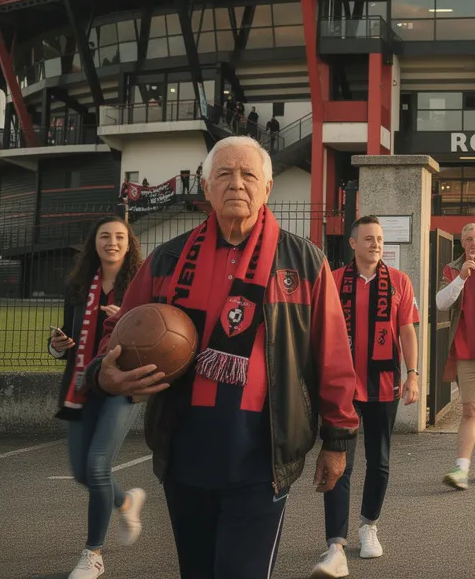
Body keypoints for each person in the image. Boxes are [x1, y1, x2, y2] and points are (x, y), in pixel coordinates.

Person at [85, 136, 362, 579]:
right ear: (206, 187)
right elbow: (114, 339)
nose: (237, 183)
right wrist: (105, 375)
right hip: (184, 449)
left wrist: (338, 440)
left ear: (267, 187)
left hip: (262, 453)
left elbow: (332, 354)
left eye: (249, 174)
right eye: (225, 174)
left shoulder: (304, 261)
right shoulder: (167, 259)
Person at [312, 215, 421, 577]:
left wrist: (413, 374)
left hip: (383, 385)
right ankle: (335, 544)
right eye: (369, 238)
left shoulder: (399, 282)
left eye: (380, 239)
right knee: (340, 461)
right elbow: (320, 330)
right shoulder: (334, 280)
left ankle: (369, 525)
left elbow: (407, 330)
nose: (376, 244)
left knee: (380, 461)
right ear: (353, 243)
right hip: (342, 385)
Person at [48, 216, 149, 579]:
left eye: (120, 236)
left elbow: (153, 341)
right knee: (82, 472)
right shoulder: (78, 286)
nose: (112, 242)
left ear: (129, 243)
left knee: (97, 466)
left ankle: (93, 554)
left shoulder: (140, 286)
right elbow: (66, 337)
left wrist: (126, 320)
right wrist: (57, 345)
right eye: (105, 236)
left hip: (121, 387)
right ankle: (125, 500)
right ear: (95, 243)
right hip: (81, 385)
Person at [436, 223, 475, 491]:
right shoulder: (453, 269)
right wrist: (462, 277)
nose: (474, 243)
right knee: (470, 410)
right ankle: (461, 469)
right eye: (468, 239)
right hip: (466, 353)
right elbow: (441, 303)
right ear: (462, 243)